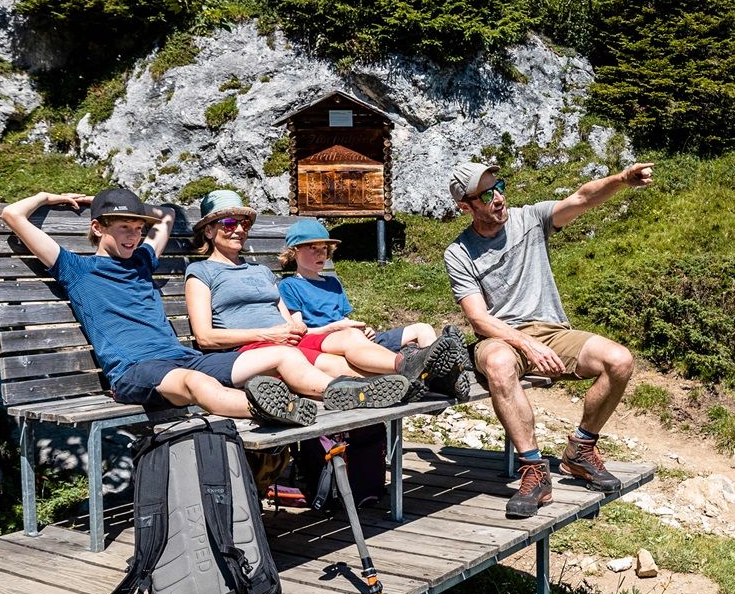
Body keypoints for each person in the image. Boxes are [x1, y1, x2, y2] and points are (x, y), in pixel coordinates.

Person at [0, 187, 333, 425]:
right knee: (198, 384)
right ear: (98, 228)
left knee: (285, 355)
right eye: (123, 228)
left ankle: (338, 394)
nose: (133, 236)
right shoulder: (75, 269)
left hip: (185, 358)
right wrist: (50, 198)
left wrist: (110, 205)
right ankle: (278, 408)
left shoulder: (142, 260)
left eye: (138, 228)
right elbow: (12, 214)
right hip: (135, 370)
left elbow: (168, 216)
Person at [443, 160, 651, 517]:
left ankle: (581, 450)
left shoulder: (531, 219)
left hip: (552, 331)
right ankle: (535, 471)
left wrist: (621, 180)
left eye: (500, 186)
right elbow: (478, 318)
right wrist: (525, 344)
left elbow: (582, 199)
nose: (498, 198)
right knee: (498, 362)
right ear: (466, 206)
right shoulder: (459, 253)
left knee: (620, 361)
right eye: (487, 193)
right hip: (501, 337)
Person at [183, 189, 463, 404]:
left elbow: (290, 323)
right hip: (252, 349)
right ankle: (408, 380)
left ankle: (410, 367)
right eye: (229, 223)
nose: (240, 229)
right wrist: (268, 335)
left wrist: (306, 328)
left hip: (286, 340)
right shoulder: (201, 272)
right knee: (330, 364)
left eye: (244, 223)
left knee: (350, 338)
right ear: (209, 230)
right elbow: (206, 338)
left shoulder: (261, 272)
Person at [274, 215, 469, 396]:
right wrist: (336, 328)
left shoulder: (332, 283)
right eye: (312, 248)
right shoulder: (289, 286)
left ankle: (440, 374)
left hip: (355, 338)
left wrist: (363, 329)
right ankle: (427, 372)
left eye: (324, 248)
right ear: (294, 252)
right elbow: (301, 333)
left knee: (422, 328)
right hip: (329, 342)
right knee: (355, 338)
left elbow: (344, 318)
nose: (320, 254)